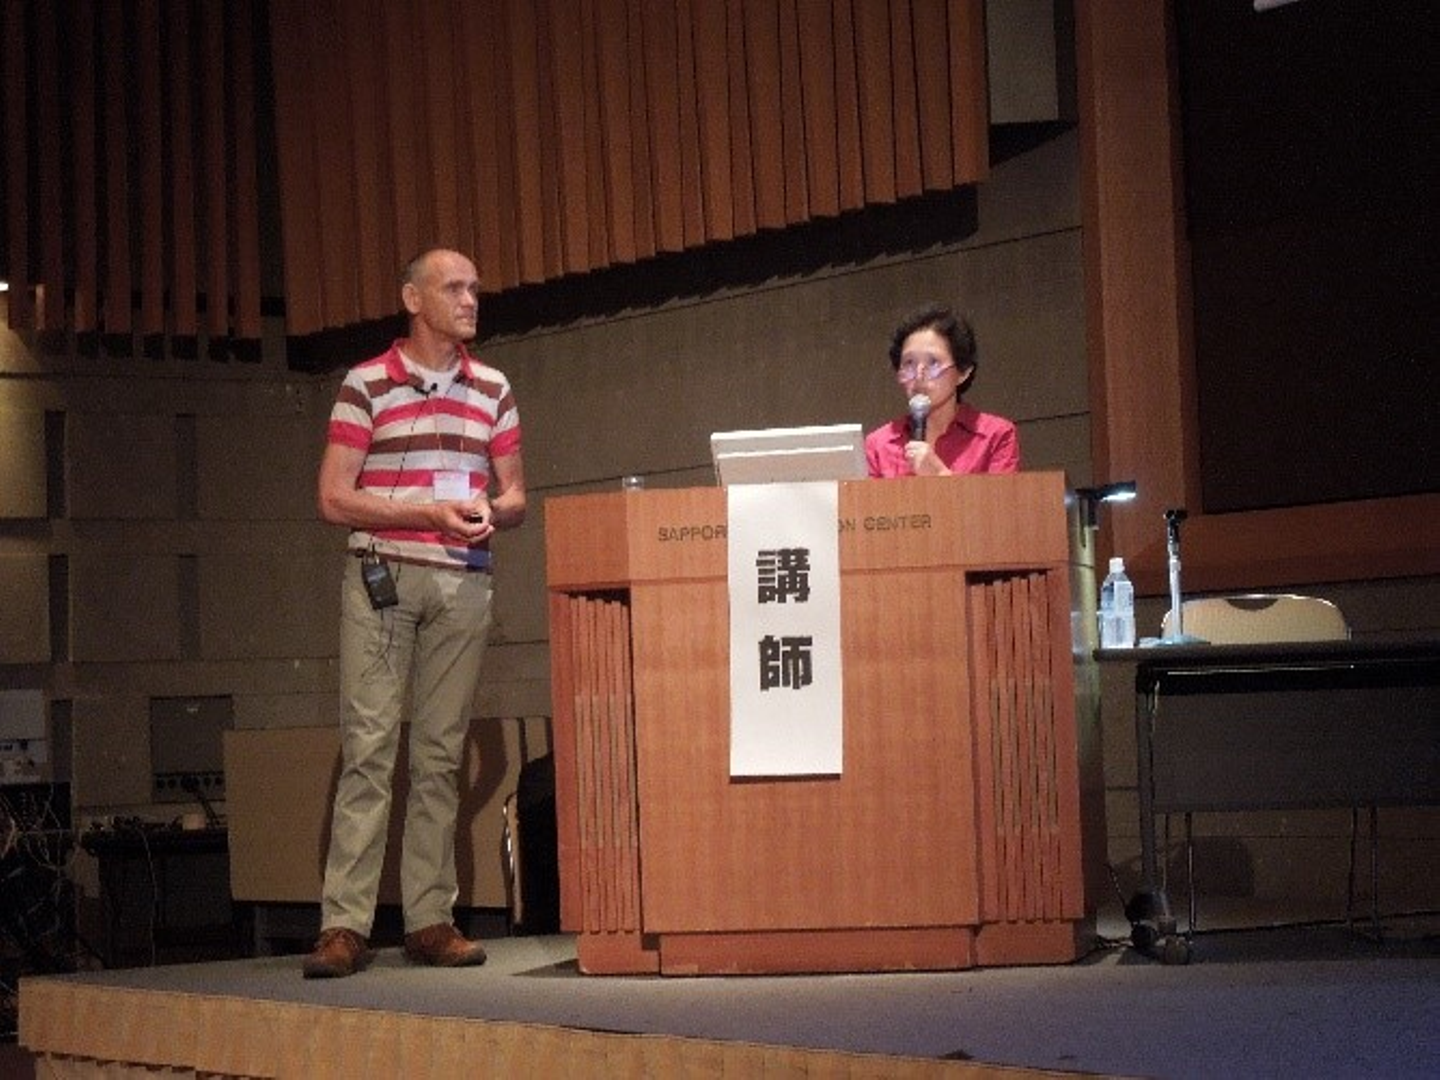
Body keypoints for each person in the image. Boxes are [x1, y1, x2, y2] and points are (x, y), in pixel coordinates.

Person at [302, 247, 526, 978]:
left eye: (474, 288)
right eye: (453, 287)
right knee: (369, 749)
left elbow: (516, 495)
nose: (469, 300)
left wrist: (490, 508)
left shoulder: (493, 387)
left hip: (463, 580)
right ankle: (345, 925)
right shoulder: (366, 383)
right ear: (412, 299)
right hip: (383, 577)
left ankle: (429, 918)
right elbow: (333, 497)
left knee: (439, 755)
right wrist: (426, 511)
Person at [865, 304, 1020, 477]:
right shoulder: (878, 444)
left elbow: (1002, 496)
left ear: (963, 372)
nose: (919, 375)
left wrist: (939, 473)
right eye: (909, 363)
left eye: (933, 362)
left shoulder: (996, 435)